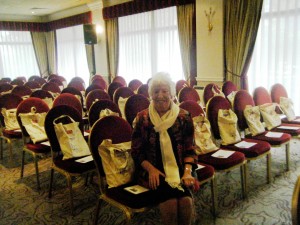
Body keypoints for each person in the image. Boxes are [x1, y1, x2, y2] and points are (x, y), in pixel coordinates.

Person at [131, 72, 197, 225]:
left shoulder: (184, 117)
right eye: (156, 91)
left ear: (172, 94)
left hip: (180, 167)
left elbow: (190, 148)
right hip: (152, 171)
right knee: (170, 203)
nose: (160, 95)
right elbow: (136, 152)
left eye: (165, 91)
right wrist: (151, 169)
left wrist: (187, 172)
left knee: (186, 202)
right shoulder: (142, 118)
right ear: (150, 95)